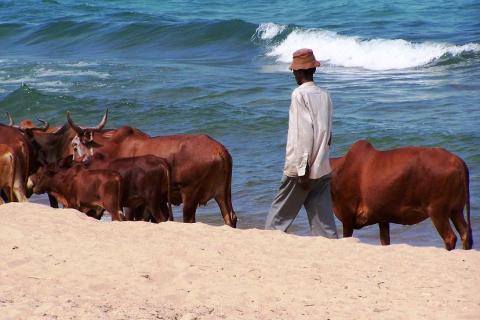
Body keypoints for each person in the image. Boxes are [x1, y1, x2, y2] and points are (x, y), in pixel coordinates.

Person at [265, 48, 338, 238]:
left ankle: (266, 249)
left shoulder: (299, 95)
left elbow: (303, 135)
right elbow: (328, 134)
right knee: (324, 225)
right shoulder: (325, 95)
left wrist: (302, 170)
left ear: (297, 72)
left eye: (294, 71)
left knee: (277, 219)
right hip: (322, 167)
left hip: (300, 170)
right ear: (313, 70)